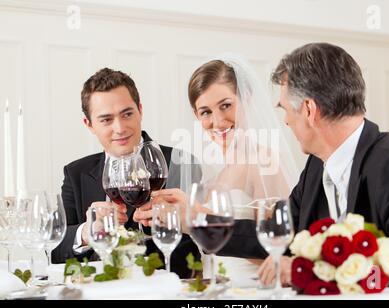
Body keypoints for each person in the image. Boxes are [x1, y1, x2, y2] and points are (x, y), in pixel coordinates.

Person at [258, 42, 389, 285]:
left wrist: (314, 269)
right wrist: (203, 222)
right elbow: (282, 232)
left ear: (309, 109)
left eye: (285, 110)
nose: (286, 121)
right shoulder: (316, 167)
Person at [134, 54, 300, 285]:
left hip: (253, 290)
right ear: (196, 115)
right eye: (206, 112)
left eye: (226, 106)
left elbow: (281, 252)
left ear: (247, 99)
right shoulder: (211, 168)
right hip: (216, 287)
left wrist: (198, 216)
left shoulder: (263, 161)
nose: (218, 121)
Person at [51, 68, 200, 279]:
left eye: (127, 114)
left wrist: (176, 222)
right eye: (106, 120)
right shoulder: (76, 173)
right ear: (89, 125)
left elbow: (198, 249)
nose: (120, 128)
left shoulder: (181, 163)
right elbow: (54, 248)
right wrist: (87, 232)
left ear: (140, 110)